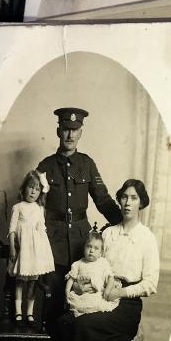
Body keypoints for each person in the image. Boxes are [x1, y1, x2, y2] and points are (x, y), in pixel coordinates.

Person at [50, 179, 159, 341]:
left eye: (133, 198)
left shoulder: (146, 239)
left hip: (127, 305)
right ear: (118, 200)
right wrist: (78, 284)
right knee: (66, 324)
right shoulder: (108, 233)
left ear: (141, 202)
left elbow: (151, 284)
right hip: (96, 295)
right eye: (123, 197)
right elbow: (90, 264)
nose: (127, 202)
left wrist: (121, 292)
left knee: (85, 326)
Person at [36, 108, 122, 325]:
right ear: (58, 131)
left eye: (75, 130)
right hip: (52, 242)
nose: (70, 135)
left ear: (81, 132)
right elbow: (35, 205)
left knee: (84, 304)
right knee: (54, 301)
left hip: (81, 245)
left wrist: (123, 223)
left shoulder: (87, 164)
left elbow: (102, 199)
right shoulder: (45, 166)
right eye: (66, 129)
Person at [7, 171, 54, 325]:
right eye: (30, 187)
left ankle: (29, 313)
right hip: (23, 251)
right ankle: (18, 312)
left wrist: (43, 254)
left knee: (33, 282)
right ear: (24, 188)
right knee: (20, 281)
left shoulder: (39, 209)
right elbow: (12, 229)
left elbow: (41, 231)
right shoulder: (18, 207)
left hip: (35, 252)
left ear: (40, 192)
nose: (33, 191)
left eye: (37, 189)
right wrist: (13, 248)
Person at [64, 231, 118, 317]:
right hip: (82, 295)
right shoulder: (78, 264)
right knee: (79, 305)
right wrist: (67, 292)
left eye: (96, 248)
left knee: (99, 304)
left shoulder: (103, 262)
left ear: (101, 252)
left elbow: (111, 278)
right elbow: (71, 280)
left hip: (97, 294)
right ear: (84, 248)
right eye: (88, 246)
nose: (91, 250)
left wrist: (107, 290)